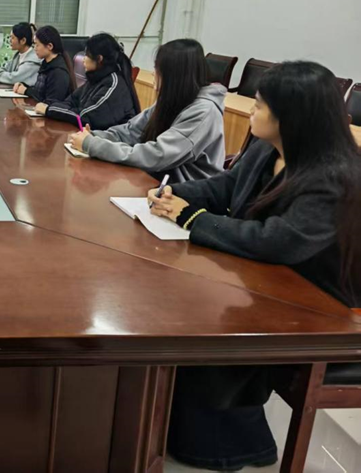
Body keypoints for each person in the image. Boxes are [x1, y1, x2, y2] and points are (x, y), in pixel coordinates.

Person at [149, 61, 361, 471]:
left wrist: (191, 218)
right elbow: (227, 186)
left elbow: (277, 241)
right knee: (178, 307)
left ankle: (230, 447)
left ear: (290, 118)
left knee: (207, 330)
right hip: (270, 280)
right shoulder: (268, 149)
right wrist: (173, 192)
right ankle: (184, 430)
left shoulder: (334, 177)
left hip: (322, 304)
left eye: (260, 105)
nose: (249, 109)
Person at [69, 39, 226, 183]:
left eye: (157, 69)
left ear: (174, 75)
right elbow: (130, 131)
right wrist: (95, 136)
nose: (153, 73)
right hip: (157, 184)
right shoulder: (173, 100)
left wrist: (93, 145)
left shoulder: (204, 112)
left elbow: (157, 155)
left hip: (185, 195)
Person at [35, 32, 140, 130]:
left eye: (87, 55)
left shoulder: (113, 84)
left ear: (99, 59)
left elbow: (85, 117)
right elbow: (70, 101)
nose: (83, 59)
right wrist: (53, 109)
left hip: (111, 141)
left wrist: (49, 110)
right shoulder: (95, 79)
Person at [12, 25, 74, 105]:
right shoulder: (46, 64)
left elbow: (52, 103)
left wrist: (26, 91)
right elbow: (40, 91)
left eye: (37, 45)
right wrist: (24, 86)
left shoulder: (58, 72)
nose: (35, 48)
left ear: (50, 46)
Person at [0, 22, 40, 86]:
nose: (10, 40)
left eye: (12, 38)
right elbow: (5, 69)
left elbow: (13, 78)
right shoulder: (18, 55)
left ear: (23, 40)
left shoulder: (33, 60)